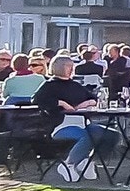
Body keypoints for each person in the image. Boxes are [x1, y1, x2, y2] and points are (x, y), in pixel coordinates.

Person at [34, 55, 119, 183]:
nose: (72, 69)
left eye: (72, 66)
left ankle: (86, 160)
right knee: (86, 136)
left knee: (111, 135)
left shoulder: (75, 85)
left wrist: (89, 102)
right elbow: (36, 100)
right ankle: (68, 164)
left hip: (83, 122)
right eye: (68, 66)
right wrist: (61, 103)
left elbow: (92, 98)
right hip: (60, 125)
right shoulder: (49, 85)